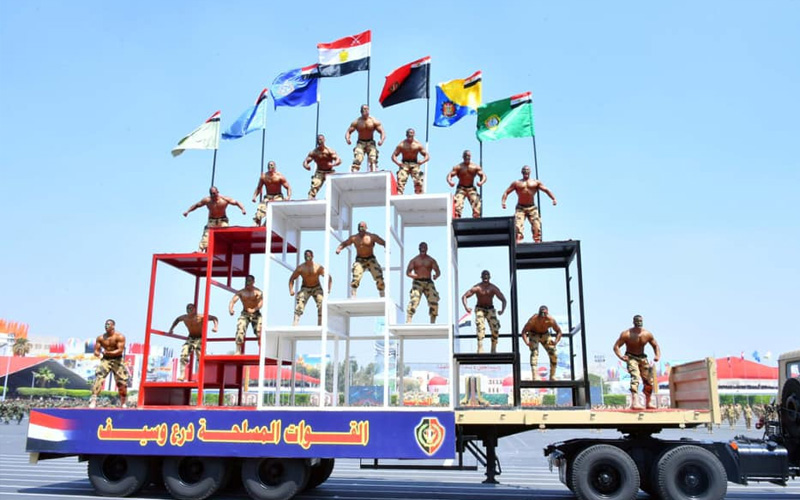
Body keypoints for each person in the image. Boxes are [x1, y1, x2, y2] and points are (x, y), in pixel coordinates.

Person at [613, 315, 661, 410]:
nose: (639, 322)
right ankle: (635, 401)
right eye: (637, 321)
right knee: (635, 377)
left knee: (648, 380)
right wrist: (621, 356)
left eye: (640, 321)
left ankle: (648, 401)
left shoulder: (647, 334)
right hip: (631, 357)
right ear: (633, 322)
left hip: (642, 358)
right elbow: (616, 346)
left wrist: (657, 355)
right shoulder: (626, 334)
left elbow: (655, 345)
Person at [501, 166, 557, 243]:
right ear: (522, 172)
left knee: (537, 225)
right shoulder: (517, 183)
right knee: (517, 225)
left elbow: (546, 190)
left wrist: (553, 198)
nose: (526, 171)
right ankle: (518, 240)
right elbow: (506, 192)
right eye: (524, 170)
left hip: (532, 208)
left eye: (527, 170)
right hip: (520, 208)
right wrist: (503, 202)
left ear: (530, 172)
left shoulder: (535, 182)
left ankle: (537, 240)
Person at [183, 186, 246, 252]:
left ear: (217, 192)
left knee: (226, 234)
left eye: (214, 193)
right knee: (206, 236)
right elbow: (197, 205)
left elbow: (236, 202)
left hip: (222, 220)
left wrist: (243, 209)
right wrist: (187, 211)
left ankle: (225, 249)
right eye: (211, 194)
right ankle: (200, 250)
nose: (213, 195)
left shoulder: (224, 199)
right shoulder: (207, 200)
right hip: (212, 221)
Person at [167, 304, 219, 381]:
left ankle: (202, 375)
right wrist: (171, 329)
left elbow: (214, 318)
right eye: (188, 309)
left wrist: (215, 327)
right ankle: (182, 374)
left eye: (191, 309)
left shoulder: (200, 316)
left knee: (200, 356)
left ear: (194, 309)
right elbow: (177, 320)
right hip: (191, 337)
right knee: (184, 353)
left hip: (200, 338)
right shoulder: (185, 318)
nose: (189, 310)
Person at [335, 221, 386, 298]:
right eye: (360, 229)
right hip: (360, 260)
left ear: (366, 228)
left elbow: (382, 241)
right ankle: (353, 294)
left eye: (363, 228)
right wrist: (339, 248)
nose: (361, 230)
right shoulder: (354, 238)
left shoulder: (371, 237)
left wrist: (386, 246)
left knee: (379, 276)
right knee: (356, 276)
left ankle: (382, 292)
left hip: (371, 258)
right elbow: (345, 243)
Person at [461, 270, 507, 354]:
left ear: (489, 277)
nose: (485, 278)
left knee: (495, 328)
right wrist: (466, 307)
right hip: (480, 308)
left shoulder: (493, 288)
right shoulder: (477, 287)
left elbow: (503, 299)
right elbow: (464, 296)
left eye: (487, 276)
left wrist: (502, 310)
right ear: (481, 277)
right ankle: (480, 346)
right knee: (480, 326)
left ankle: (493, 347)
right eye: (484, 276)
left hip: (490, 309)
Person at [90, 319, 130, 408]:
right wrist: (97, 353)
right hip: (106, 359)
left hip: (117, 359)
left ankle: (123, 402)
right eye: (105, 324)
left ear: (113, 326)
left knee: (122, 382)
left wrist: (108, 352)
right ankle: (93, 400)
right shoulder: (100, 338)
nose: (106, 326)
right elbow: (96, 350)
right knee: (99, 377)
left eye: (108, 324)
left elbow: (120, 350)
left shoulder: (119, 337)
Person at [289, 249, 332, 326]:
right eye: (306, 256)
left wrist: (329, 288)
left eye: (309, 256)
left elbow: (329, 277)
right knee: (300, 304)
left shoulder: (318, 267)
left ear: (312, 256)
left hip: (316, 287)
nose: (307, 258)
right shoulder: (301, 268)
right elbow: (291, 279)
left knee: (321, 304)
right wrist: (291, 290)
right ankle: (295, 323)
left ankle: (320, 324)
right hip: (305, 288)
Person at [521, 305, 563, 380]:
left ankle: (552, 375)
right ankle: (535, 375)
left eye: (544, 314)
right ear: (538, 313)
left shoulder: (551, 320)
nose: (542, 316)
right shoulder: (533, 319)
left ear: (547, 313)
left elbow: (559, 331)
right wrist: (527, 342)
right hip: (534, 334)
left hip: (545, 334)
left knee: (553, 353)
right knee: (534, 352)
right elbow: (524, 331)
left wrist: (555, 341)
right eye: (541, 314)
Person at [405, 242, 441, 324]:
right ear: (419, 248)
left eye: (424, 247)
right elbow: (408, 272)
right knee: (414, 299)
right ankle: (409, 319)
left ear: (427, 249)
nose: (423, 249)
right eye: (421, 247)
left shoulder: (431, 260)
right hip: (418, 282)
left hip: (428, 282)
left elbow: (438, 271)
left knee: (434, 300)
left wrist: (436, 276)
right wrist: (414, 276)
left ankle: (433, 321)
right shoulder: (414, 260)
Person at [228, 275, 263, 355]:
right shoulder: (241, 292)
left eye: (250, 281)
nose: (248, 282)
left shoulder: (258, 292)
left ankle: (261, 350)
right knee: (240, 328)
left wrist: (254, 309)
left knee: (259, 331)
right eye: (247, 281)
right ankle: (238, 350)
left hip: (256, 314)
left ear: (253, 282)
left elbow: (261, 303)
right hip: (245, 313)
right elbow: (232, 301)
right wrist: (231, 309)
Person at [345, 104, 385, 172]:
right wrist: (348, 139)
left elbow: (382, 132)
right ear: (361, 111)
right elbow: (348, 132)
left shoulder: (373, 121)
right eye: (364, 109)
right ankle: (354, 172)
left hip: (370, 142)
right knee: (358, 157)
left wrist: (381, 140)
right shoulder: (357, 122)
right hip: (360, 143)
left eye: (367, 109)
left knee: (373, 157)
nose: (366, 111)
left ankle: (373, 171)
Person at [446, 150, 486, 218]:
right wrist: (450, 181)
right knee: (457, 205)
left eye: (468, 156)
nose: (467, 157)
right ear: (463, 157)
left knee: (477, 204)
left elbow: (483, 176)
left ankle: (476, 218)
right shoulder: (458, 167)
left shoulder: (475, 167)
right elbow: (449, 175)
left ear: (470, 157)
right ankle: (457, 218)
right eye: (465, 156)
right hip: (461, 188)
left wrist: (481, 182)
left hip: (471, 188)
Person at [251, 161, 292, 226]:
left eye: (272, 165)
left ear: (275, 167)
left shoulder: (279, 176)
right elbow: (259, 188)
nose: (270, 166)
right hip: (268, 197)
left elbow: (288, 187)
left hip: (278, 196)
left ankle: (267, 223)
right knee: (260, 210)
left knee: (276, 211)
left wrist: (288, 196)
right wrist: (254, 196)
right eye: (269, 165)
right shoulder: (263, 176)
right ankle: (256, 223)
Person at [391, 128, 429, 195]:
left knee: (418, 180)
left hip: (414, 164)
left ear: (414, 134)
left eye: (411, 133)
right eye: (409, 134)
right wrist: (398, 163)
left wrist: (422, 161)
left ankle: (419, 194)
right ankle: (400, 194)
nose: (410, 135)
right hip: (404, 164)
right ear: (406, 135)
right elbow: (393, 156)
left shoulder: (417, 145)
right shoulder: (402, 144)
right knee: (401, 179)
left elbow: (427, 156)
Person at [304, 134, 342, 199]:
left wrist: (333, 164)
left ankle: (332, 198)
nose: (320, 141)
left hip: (329, 171)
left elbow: (339, 160)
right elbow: (306, 161)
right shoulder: (314, 152)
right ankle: (311, 198)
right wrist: (306, 165)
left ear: (324, 140)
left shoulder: (329, 151)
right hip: (319, 172)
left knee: (334, 185)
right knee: (315, 185)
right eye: (319, 140)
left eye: (321, 140)